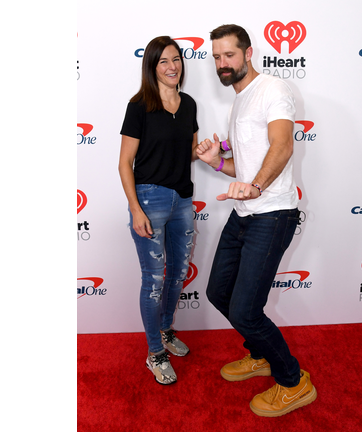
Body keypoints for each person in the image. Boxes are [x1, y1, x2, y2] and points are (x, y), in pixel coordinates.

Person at [194, 24, 317, 417]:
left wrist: (257, 186)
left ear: (248, 53)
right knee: (217, 293)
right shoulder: (239, 101)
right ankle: (260, 353)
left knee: (246, 310)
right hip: (245, 214)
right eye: (216, 57)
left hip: (273, 213)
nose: (222, 63)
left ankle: (293, 381)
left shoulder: (274, 89)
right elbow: (242, 168)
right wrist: (216, 161)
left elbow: (282, 146)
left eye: (229, 54)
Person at [118, 36, 200, 385]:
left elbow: (192, 153)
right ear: (152, 67)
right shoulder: (139, 106)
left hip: (183, 201)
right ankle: (155, 352)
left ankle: (165, 330)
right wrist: (136, 209)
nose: (172, 66)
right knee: (153, 280)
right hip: (150, 201)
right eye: (164, 61)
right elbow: (124, 164)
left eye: (176, 59)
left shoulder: (190, 103)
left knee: (178, 274)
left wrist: (211, 149)